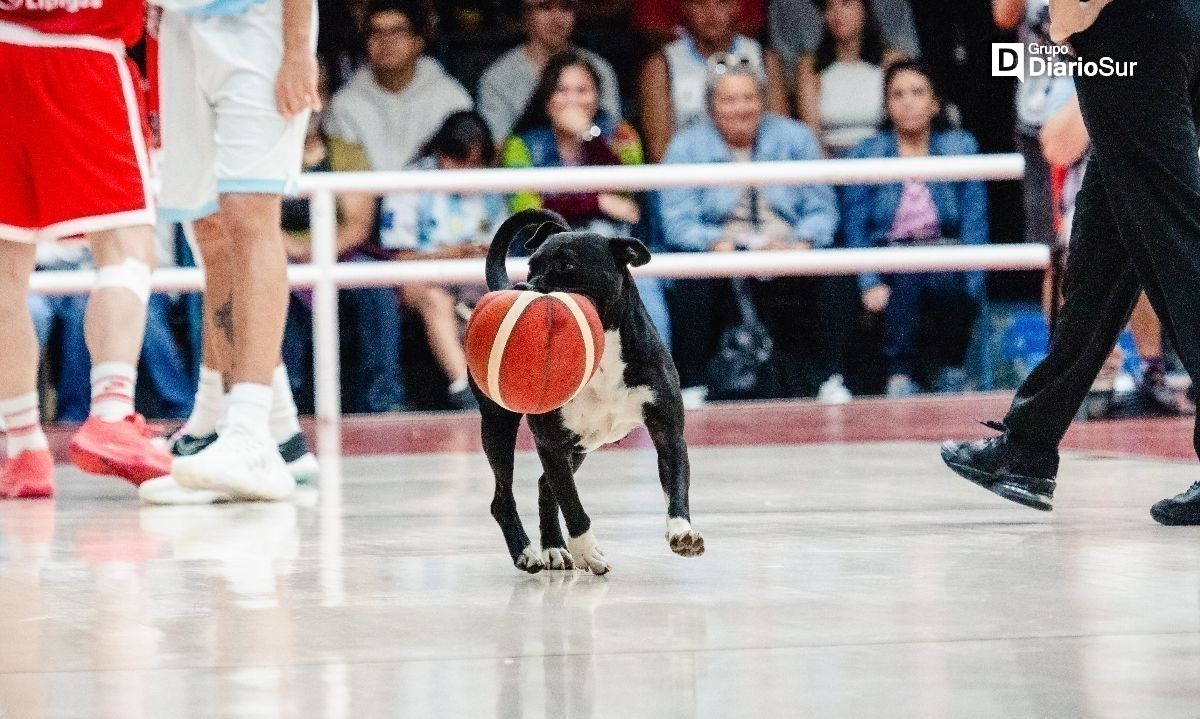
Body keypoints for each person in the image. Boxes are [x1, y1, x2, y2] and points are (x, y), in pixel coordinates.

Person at [940, 0, 1200, 525]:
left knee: (1178, 248)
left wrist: (1073, 11)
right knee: (1101, 264)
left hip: (1126, 31)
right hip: (1157, 27)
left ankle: (1028, 447)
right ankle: (1029, 447)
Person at [144, 0, 323, 504]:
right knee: (211, 231)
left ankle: (249, 431)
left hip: (259, 26)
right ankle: (257, 431)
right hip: (179, 26)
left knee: (248, 217)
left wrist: (295, 46)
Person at [0, 0, 173, 499]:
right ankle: (112, 416)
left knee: (5, 273)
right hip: (81, 56)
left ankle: (24, 448)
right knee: (128, 247)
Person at [658, 53, 846, 404]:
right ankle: (694, 382)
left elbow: (823, 209)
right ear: (711, 105)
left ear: (762, 99)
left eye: (749, 97)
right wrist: (724, 246)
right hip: (722, 249)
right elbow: (678, 221)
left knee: (835, 270)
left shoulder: (795, 137)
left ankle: (828, 377)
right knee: (689, 277)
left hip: (786, 244)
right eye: (728, 99)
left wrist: (799, 244)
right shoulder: (686, 146)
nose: (740, 108)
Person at [503, 51, 673, 347]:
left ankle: (655, 381)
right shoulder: (520, 146)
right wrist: (597, 202)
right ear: (547, 98)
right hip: (548, 251)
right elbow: (530, 211)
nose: (572, 100)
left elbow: (627, 198)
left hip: (610, 248)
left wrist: (588, 136)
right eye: (561, 90)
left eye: (582, 90)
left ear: (597, 97)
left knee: (643, 287)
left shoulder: (621, 136)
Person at [842, 60, 986, 397]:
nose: (907, 101)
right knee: (908, 274)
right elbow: (856, 226)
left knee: (946, 280)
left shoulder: (961, 146)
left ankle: (951, 370)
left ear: (935, 103)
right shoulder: (866, 154)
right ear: (887, 104)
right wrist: (868, 281)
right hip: (890, 258)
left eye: (918, 93)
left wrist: (974, 282)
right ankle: (900, 376)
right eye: (898, 94)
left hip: (945, 253)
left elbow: (975, 221)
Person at [382, 112, 508, 409]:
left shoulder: (492, 186)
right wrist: (453, 253)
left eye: (475, 163)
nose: (466, 171)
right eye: (458, 160)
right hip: (424, 279)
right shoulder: (411, 183)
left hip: (476, 279)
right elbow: (400, 256)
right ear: (441, 153)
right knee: (436, 300)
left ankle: (507, 386)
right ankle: (466, 388)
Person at [638, 0, 789, 163]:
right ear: (686, 8)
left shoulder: (764, 59)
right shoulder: (661, 65)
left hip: (757, 173)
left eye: (721, 3)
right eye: (700, 4)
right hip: (689, 178)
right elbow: (660, 153)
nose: (712, 13)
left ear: (736, 6)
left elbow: (781, 135)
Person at [477, 0, 622, 144]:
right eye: (545, 7)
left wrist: (586, 133)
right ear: (525, 14)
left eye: (566, 7)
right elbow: (495, 152)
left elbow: (615, 140)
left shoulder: (600, 69)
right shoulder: (497, 78)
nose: (557, 18)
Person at [793, 0, 907, 157]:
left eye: (845, 4)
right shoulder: (810, 66)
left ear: (865, 10)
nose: (837, 13)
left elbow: (904, 123)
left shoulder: (891, 61)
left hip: (883, 157)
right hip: (832, 160)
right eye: (829, 7)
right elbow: (812, 134)